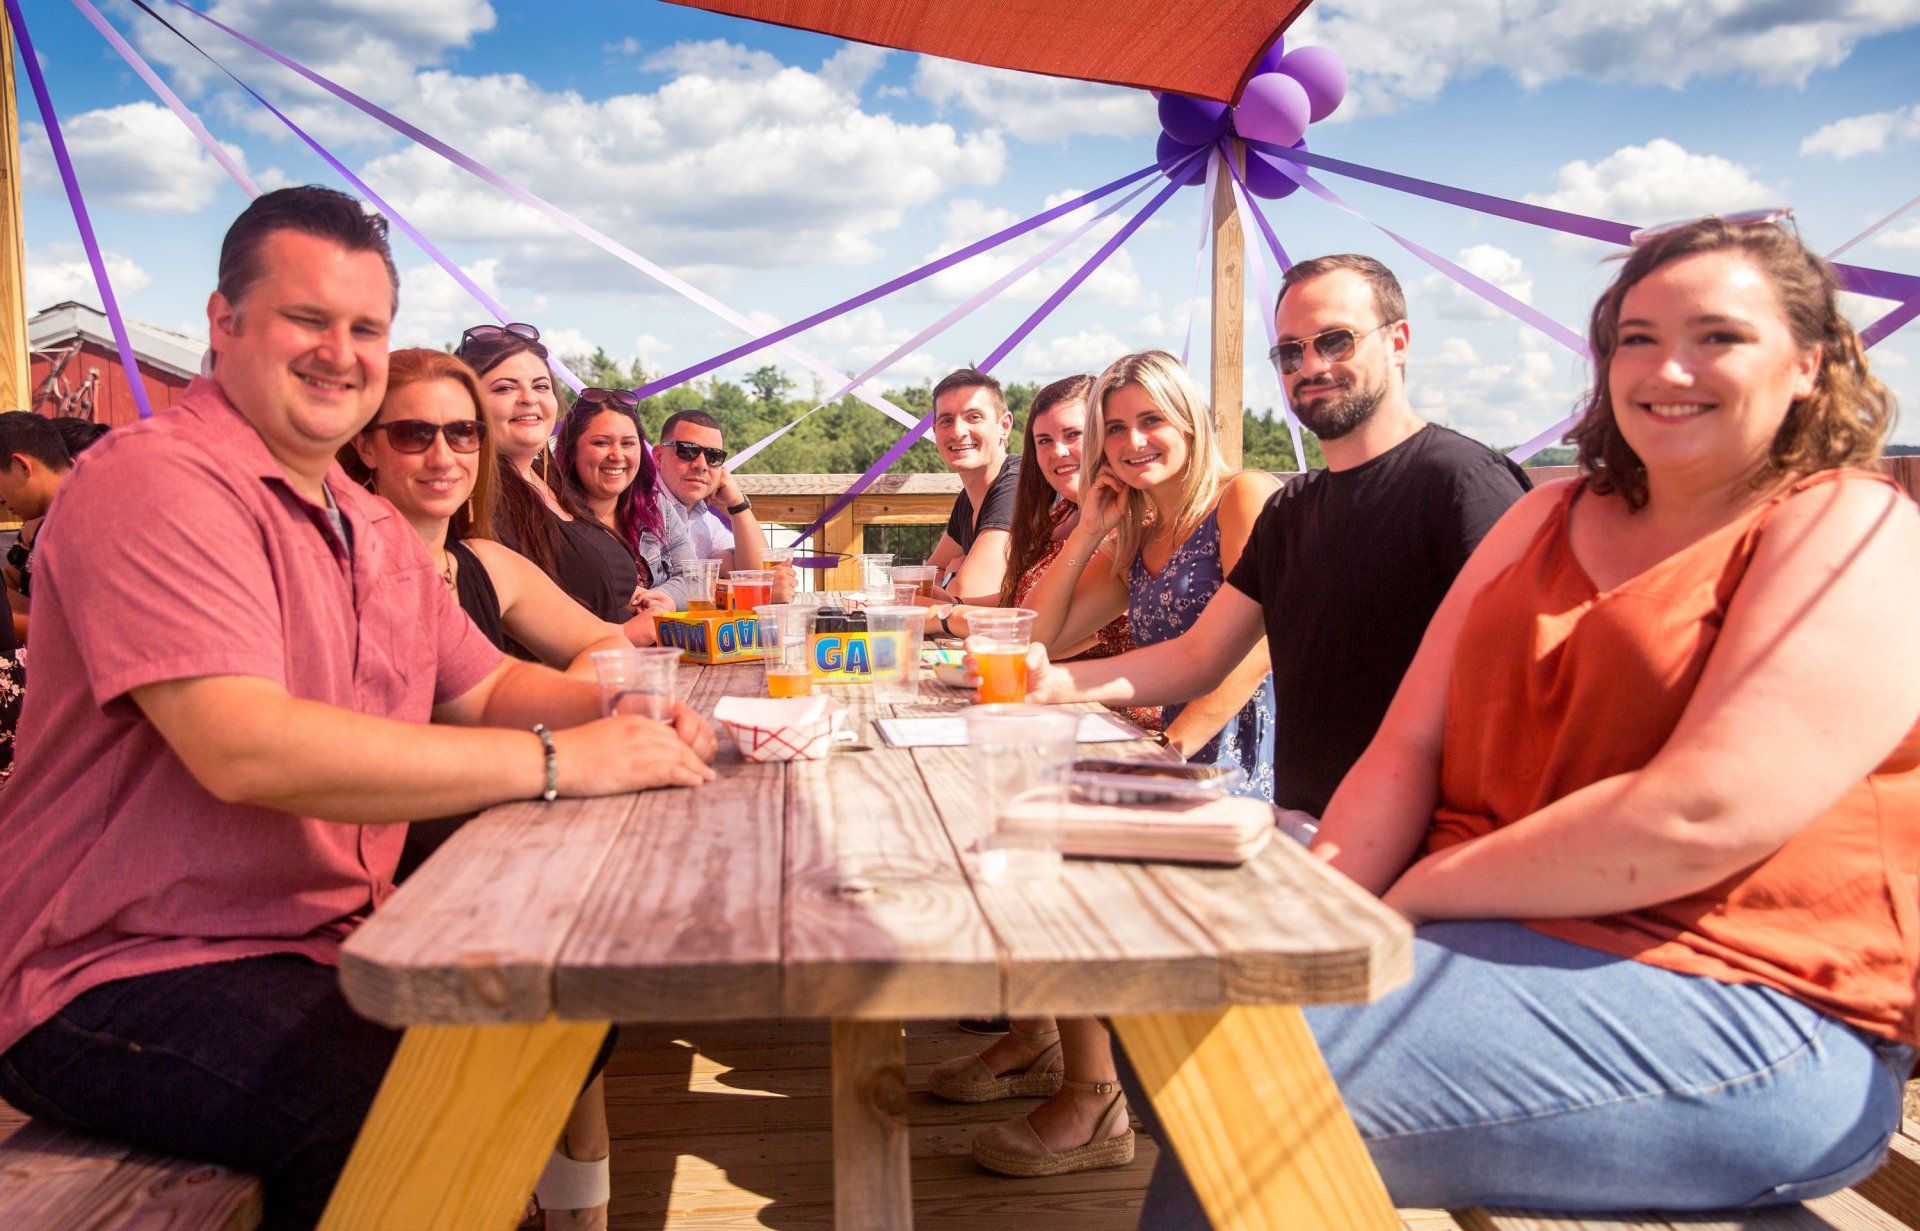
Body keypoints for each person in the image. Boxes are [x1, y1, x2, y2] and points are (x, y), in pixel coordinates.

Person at [1119, 216, 1920, 1225]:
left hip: (1764, 1002)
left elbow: (1699, 815)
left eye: (1717, 336)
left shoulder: (1852, 526)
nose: (1668, 366)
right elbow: (1407, 746)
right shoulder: (1544, 517)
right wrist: (1328, 905)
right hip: (1505, 944)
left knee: (1241, 1075)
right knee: (1177, 1015)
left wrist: (1412, 896)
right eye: (1636, 337)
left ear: (1809, 363)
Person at [0, 186, 718, 1231]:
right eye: (307, 318)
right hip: (110, 972)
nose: (340, 350)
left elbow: (484, 686)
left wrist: (635, 701)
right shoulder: (158, 483)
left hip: (320, 940)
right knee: (401, 1101)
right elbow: (242, 747)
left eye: (366, 328)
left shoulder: (367, 526)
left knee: (557, 1009)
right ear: (223, 323)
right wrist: (567, 763)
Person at [1024, 254, 1530, 816]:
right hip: (1306, 817)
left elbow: (1528, 688)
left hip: (1421, 828)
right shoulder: (1295, 509)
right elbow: (1198, 658)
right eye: (1290, 351)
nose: (1311, 364)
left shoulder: (1462, 484)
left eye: (1336, 340)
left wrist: (1171, 750)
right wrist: (1045, 682)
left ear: (1399, 341)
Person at [935, 351, 1278, 1180]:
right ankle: (1086, 1078)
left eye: (1151, 419)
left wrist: (1176, 745)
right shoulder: (1138, 530)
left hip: (1240, 756)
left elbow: (1262, 640)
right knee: (1021, 826)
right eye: (1116, 426)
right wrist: (1090, 524)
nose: (1132, 440)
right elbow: (1037, 634)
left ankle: (1101, 1098)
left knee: (1065, 858)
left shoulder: (1243, 494)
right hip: (1164, 744)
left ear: (1191, 420)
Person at [342, 346, 631, 1228]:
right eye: (414, 433)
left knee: (589, 969)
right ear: (366, 449)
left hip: (480, 809)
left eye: (461, 433)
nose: (442, 455)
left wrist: (559, 698)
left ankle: (564, 1197)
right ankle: (509, 1192)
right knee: (569, 957)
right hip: (396, 834)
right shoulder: (345, 561)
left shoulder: (475, 563)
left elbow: (598, 647)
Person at [453, 325, 666, 643]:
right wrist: (622, 634)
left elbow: (574, 577)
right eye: (504, 388)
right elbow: (509, 623)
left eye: (540, 386)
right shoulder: (475, 497)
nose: (528, 398)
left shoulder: (551, 480)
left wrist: (626, 592)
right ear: (469, 405)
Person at [555, 389, 699, 608]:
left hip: (658, 639)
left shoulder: (656, 508)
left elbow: (693, 576)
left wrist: (659, 599)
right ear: (572, 449)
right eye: (602, 443)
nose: (617, 456)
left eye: (628, 443)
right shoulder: (551, 512)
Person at [925, 367, 1022, 604]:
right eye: (946, 420)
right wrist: (952, 579)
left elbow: (968, 594)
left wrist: (953, 576)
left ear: (1005, 425)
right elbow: (927, 577)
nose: (957, 431)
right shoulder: (970, 496)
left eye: (974, 417)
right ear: (935, 430)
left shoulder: (1017, 484)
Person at [0, 411, 75, 643]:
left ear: (22, 466)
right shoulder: (57, 518)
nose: (1, 498)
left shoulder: (82, 523)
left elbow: (76, 630)